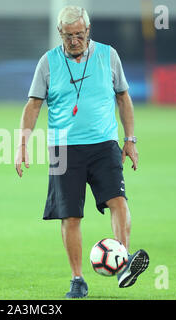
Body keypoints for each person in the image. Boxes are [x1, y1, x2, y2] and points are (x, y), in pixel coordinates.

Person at [15, 6, 149, 299]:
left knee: (118, 200)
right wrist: (22, 144)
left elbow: (123, 97)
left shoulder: (108, 55)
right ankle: (77, 279)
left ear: (88, 31)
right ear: (59, 33)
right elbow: (33, 105)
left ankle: (123, 262)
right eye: (68, 36)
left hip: (104, 144)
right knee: (70, 215)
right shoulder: (47, 63)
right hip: (64, 149)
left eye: (79, 35)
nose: (74, 40)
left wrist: (130, 139)